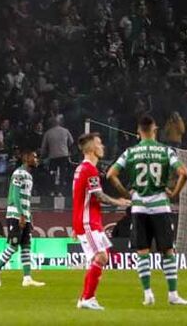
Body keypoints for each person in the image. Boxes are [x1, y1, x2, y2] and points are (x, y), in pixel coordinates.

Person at [106, 115, 187, 306]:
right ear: (155, 130)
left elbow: (111, 174)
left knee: (142, 251)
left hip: (139, 208)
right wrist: (174, 193)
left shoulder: (130, 152)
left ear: (138, 132)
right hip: (160, 206)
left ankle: (147, 294)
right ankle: (173, 294)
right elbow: (184, 173)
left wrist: (126, 194)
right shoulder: (166, 151)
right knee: (168, 250)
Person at [73, 132, 132, 311]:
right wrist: (119, 202)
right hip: (88, 222)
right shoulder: (89, 169)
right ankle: (88, 298)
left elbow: (79, 196)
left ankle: (84, 298)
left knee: (102, 256)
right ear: (91, 148)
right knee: (101, 257)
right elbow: (98, 196)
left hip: (90, 221)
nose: (102, 146)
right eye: (99, 143)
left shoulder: (81, 168)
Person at [0, 147, 46, 288]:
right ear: (26, 158)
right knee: (14, 245)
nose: (36, 159)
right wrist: (21, 214)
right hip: (15, 215)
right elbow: (15, 195)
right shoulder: (18, 174)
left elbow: (26, 199)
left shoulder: (29, 176)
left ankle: (27, 278)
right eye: (34, 156)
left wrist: (29, 217)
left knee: (26, 246)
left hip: (24, 215)